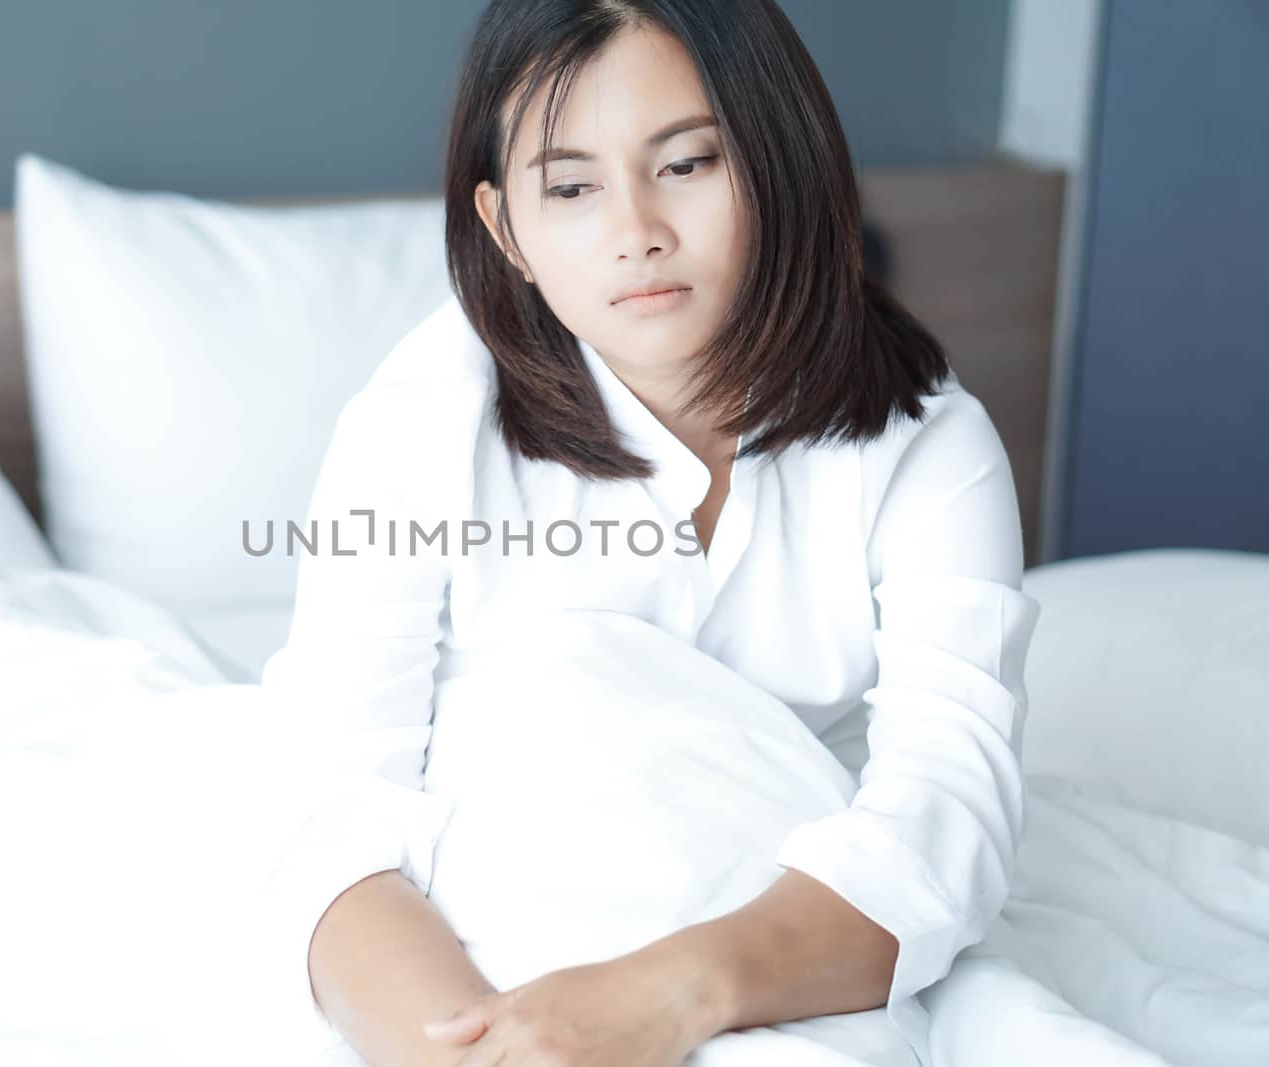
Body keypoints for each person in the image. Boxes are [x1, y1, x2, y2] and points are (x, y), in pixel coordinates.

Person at [257, 2, 1041, 1065]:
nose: (635, 230)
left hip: (780, 913)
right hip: (480, 905)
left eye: (686, 164)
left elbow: (947, 820)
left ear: (780, 162)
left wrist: (671, 993)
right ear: (506, 231)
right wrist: (466, 1051)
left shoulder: (925, 440)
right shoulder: (419, 426)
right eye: (571, 187)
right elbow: (334, 825)